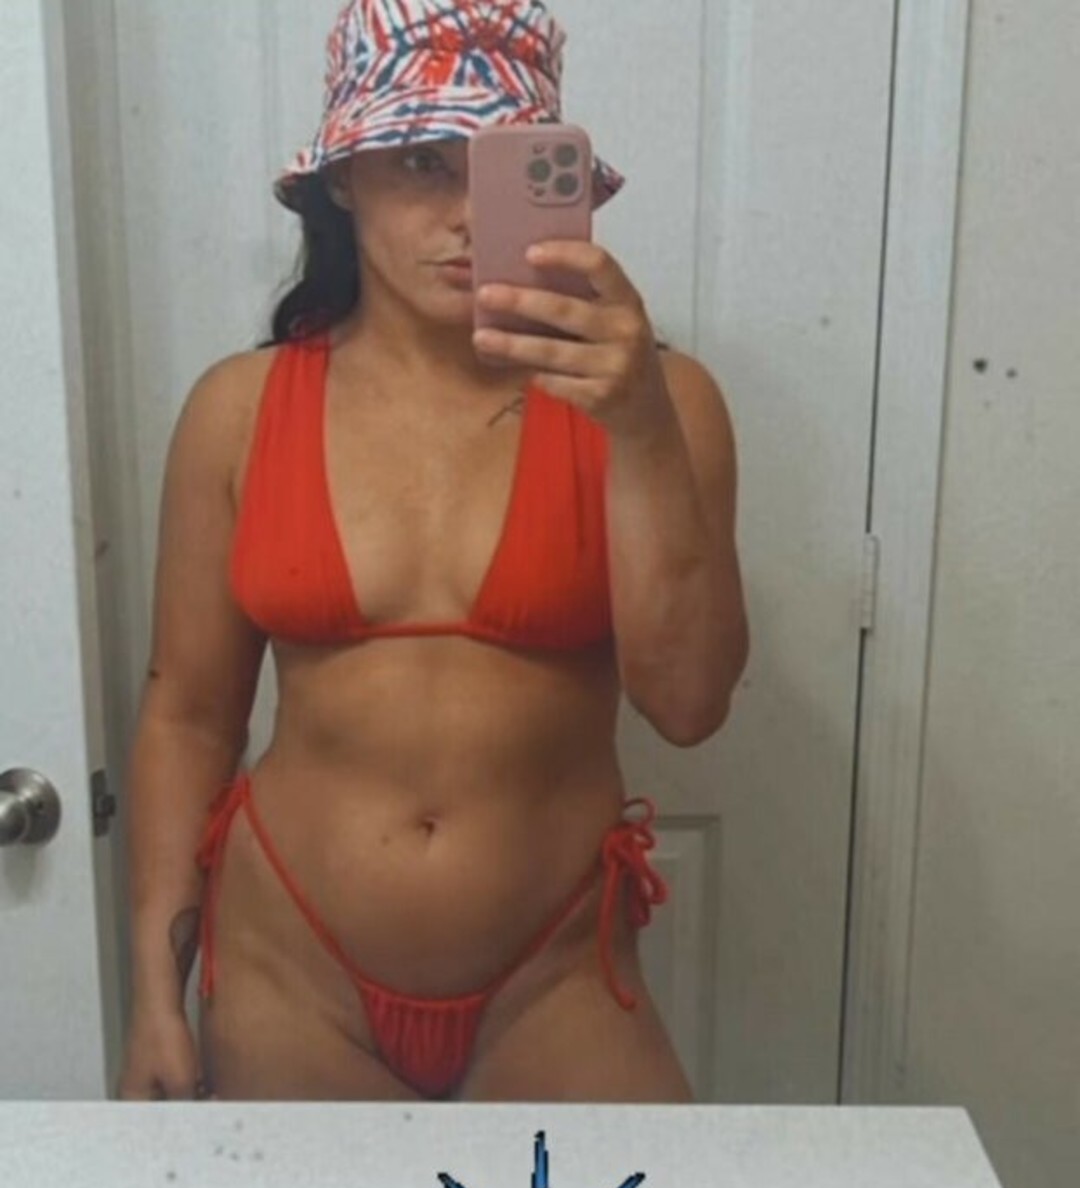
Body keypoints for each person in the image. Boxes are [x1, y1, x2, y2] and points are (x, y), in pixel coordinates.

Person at [118, 0, 749, 1106]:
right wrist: (152, 996)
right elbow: (189, 715)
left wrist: (641, 429)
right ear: (342, 178)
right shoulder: (238, 412)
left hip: (557, 980)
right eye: (419, 163)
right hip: (288, 973)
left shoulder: (660, 402)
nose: (463, 216)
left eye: (498, 170)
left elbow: (690, 706)